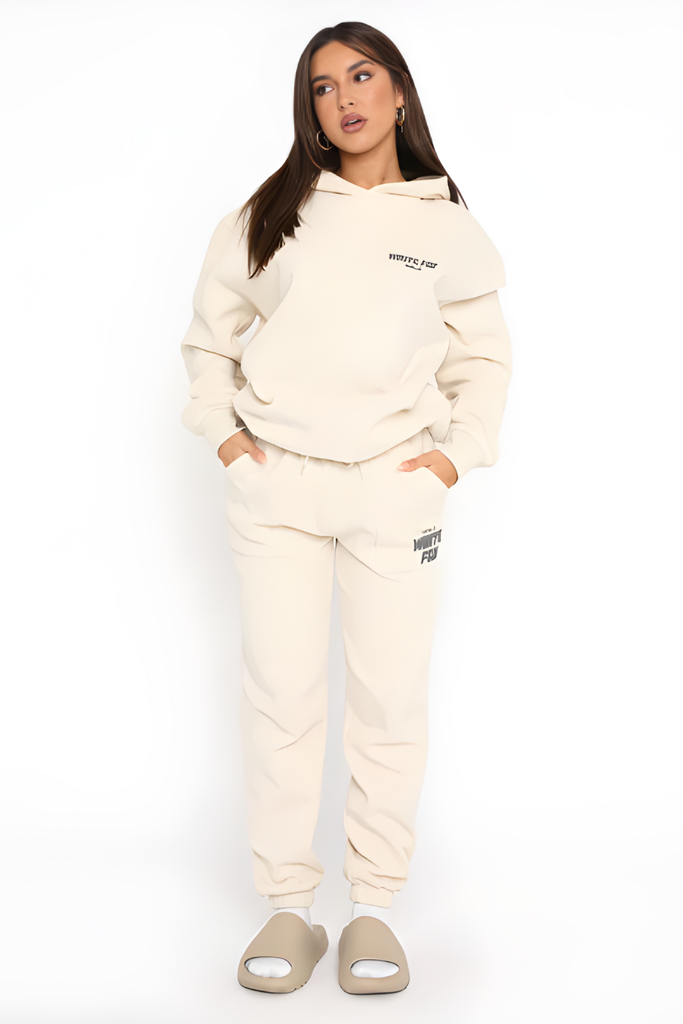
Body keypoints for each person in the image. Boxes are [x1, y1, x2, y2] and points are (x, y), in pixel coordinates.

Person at [179, 20, 512, 995]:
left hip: (392, 487)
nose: (343, 99)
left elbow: (484, 361)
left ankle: (373, 910)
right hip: (276, 485)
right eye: (321, 87)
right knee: (280, 696)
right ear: (309, 111)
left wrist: (447, 461)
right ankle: (288, 904)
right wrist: (228, 440)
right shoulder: (271, 213)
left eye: (361, 76)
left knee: (386, 700)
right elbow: (208, 342)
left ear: (399, 92)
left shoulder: (445, 226)